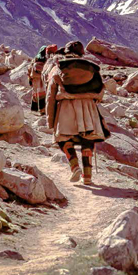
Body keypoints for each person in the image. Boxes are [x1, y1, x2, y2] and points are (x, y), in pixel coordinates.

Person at [46, 40, 108, 185]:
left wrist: (51, 119)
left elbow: (50, 95)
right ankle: (87, 176)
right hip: (88, 107)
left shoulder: (58, 68)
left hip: (65, 107)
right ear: (82, 53)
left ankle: (75, 167)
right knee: (87, 138)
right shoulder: (91, 69)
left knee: (63, 139)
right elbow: (100, 91)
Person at [27, 46, 48, 114]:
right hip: (42, 78)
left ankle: (34, 109)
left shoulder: (35, 59)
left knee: (35, 93)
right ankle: (42, 110)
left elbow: (29, 69)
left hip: (34, 78)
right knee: (42, 93)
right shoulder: (46, 59)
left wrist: (30, 79)